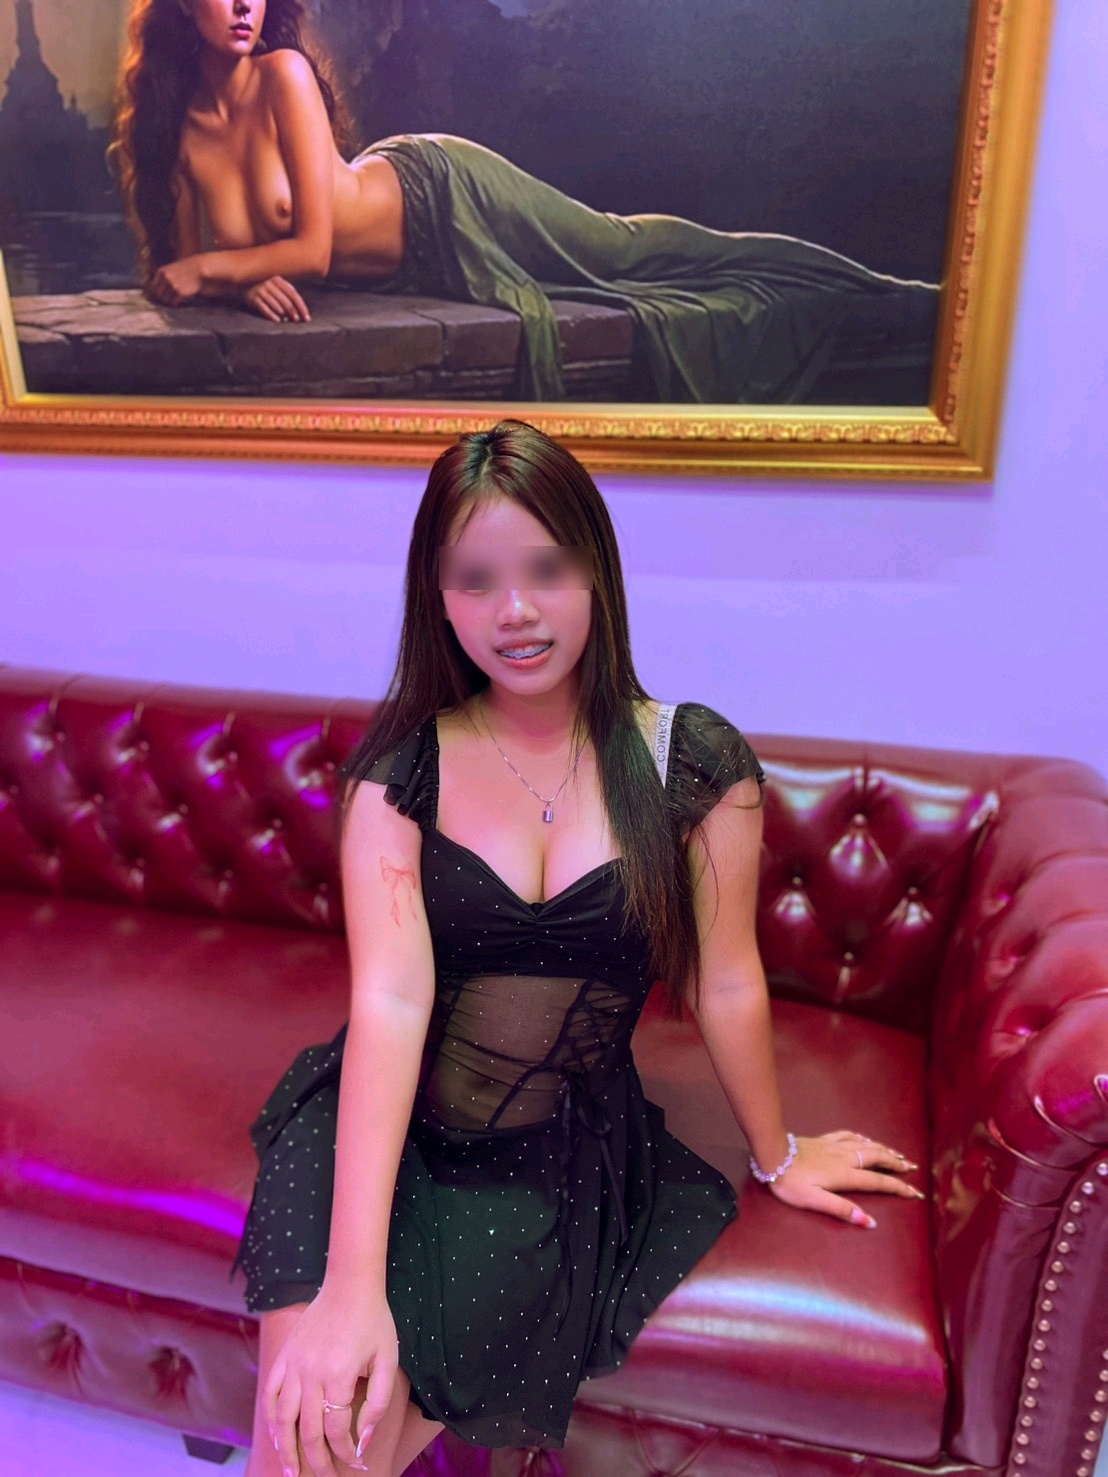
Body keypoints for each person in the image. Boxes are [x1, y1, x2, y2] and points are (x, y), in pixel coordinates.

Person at [229, 419, 922, 1477]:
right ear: (438, 596)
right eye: (476, 579)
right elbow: (391, 1006)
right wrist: (351, 1287)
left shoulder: (693, 762)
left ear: (595, 568)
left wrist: (779, 1153)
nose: (514, 610)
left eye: (546, 569)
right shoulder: (398, 773)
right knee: (302, 1437)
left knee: (333, 1451)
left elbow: (726, 977)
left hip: (545, 1154)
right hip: (371, 1132)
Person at [112, 0, 939, 403]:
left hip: (441, 195)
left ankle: (880, 292)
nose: (245, 4)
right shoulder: (173, 134)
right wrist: (234, 281)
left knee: (628, 251)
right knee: (625, 267)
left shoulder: (283, 77)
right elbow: (177, 274)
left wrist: (221, 269)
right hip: (410, 269)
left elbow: (311, 253)